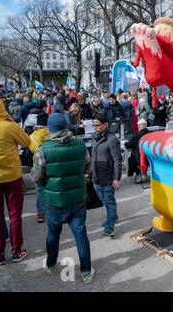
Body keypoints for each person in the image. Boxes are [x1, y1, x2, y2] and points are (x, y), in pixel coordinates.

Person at [31, 113, 94, 283]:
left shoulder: (43, 150)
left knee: (53, 233)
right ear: (67, 127)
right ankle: (86, 272)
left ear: (49, 129)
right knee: (80, 234)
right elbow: (88, 167)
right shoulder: (80, 146)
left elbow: (36, 177)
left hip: (54, 201)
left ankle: (51, 265)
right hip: (77, 198)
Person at [0, 98, 31, 265]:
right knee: (15, 215)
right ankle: (17, 251)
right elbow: (26, 142)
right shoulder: (9, 127)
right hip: (12, 177)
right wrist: (12, 122)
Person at [90, 113, 122, 237]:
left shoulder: (112, 139)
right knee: (104, 200)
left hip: (107, 177)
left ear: (105, 125)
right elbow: (93, 156)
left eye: (97, 125)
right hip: (96, 176)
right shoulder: (94, 137)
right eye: (94, 125)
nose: (95, 128)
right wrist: (89, 171)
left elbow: (117, 160)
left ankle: (110, 227)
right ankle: (113, 216)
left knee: (109, 201)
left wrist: (116, 178)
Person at [29, 112, 49, 223]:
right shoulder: (52, 134)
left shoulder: (32, 136)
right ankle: (52, 211)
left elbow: (31, 149)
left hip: (37, 165)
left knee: (39, 190)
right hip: (51, 165)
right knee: (51, 188)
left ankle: (40, 214)